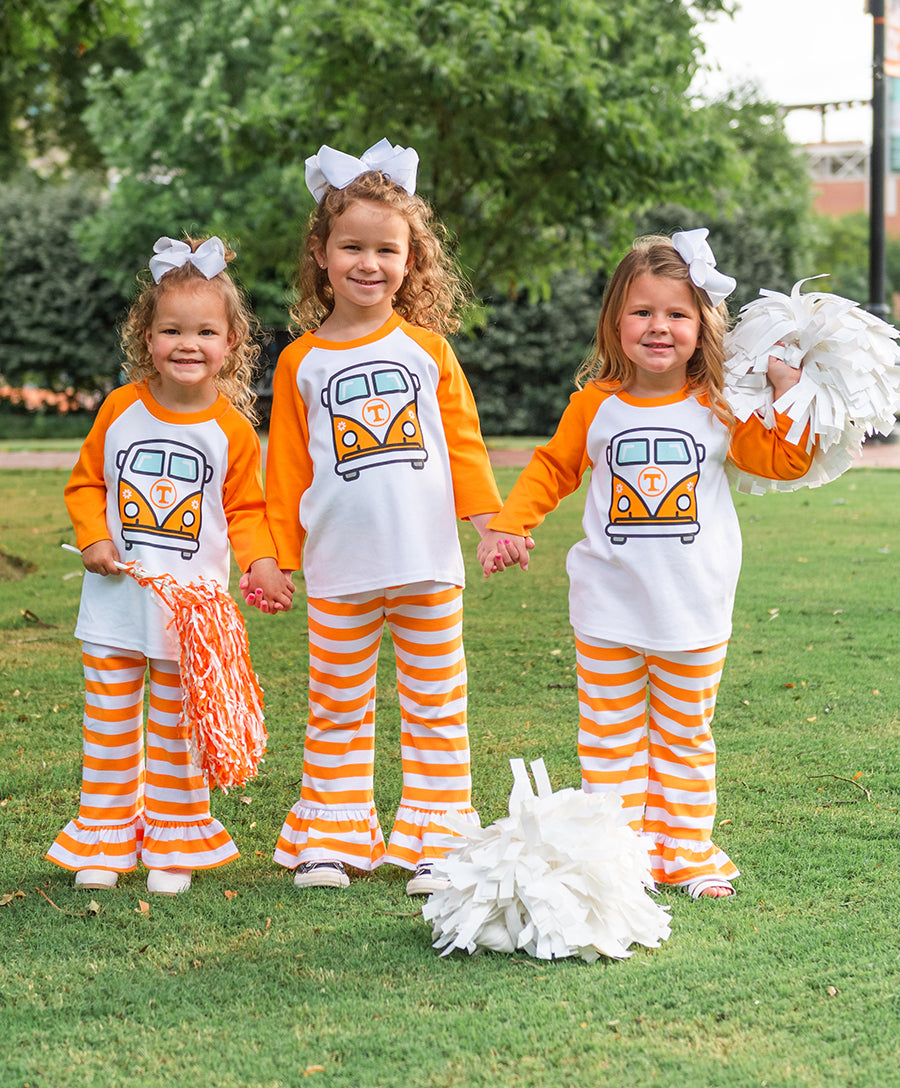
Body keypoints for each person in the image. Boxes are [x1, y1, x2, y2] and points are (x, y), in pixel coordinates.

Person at [477, 231, 814, 899]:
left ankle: (687, 853)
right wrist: (509, 524)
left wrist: (790, 392)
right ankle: (619, 856)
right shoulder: (595, 405)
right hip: (607, 609)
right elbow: (551, 468)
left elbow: (783, 460)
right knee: (610, 742)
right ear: (614, 321)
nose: (659, 327)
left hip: (694, 610)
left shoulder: (720, 406)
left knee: (685, 738)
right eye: (642, 312)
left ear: (701, 325)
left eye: (677, 314)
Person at [261, 139, 504, 896]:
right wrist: (274, 557)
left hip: (428, 562)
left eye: (387, 250)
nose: (370, 264)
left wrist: (492, 523)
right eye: (353, 247)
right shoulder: (300, 361)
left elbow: (464, 447)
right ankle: (332, 838)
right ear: (322, 255)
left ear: (412, 261)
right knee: (337, 706)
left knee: (437, 708)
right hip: (339, 567)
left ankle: (439, 840)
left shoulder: (428, 350)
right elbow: (287, 472)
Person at [47, 235, 293, 896]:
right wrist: (94, 536)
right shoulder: (120, 411)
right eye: (172, 330)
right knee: (109, 729)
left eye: (205, 331)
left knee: (181, 733)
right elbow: (85, 484)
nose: (188, 344)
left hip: (192, 615)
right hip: (115, 607)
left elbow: (246, 510)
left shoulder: (232, 431)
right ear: (146, 337)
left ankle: (174, 840)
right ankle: (104, 838)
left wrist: (263, 563)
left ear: (232, 340)